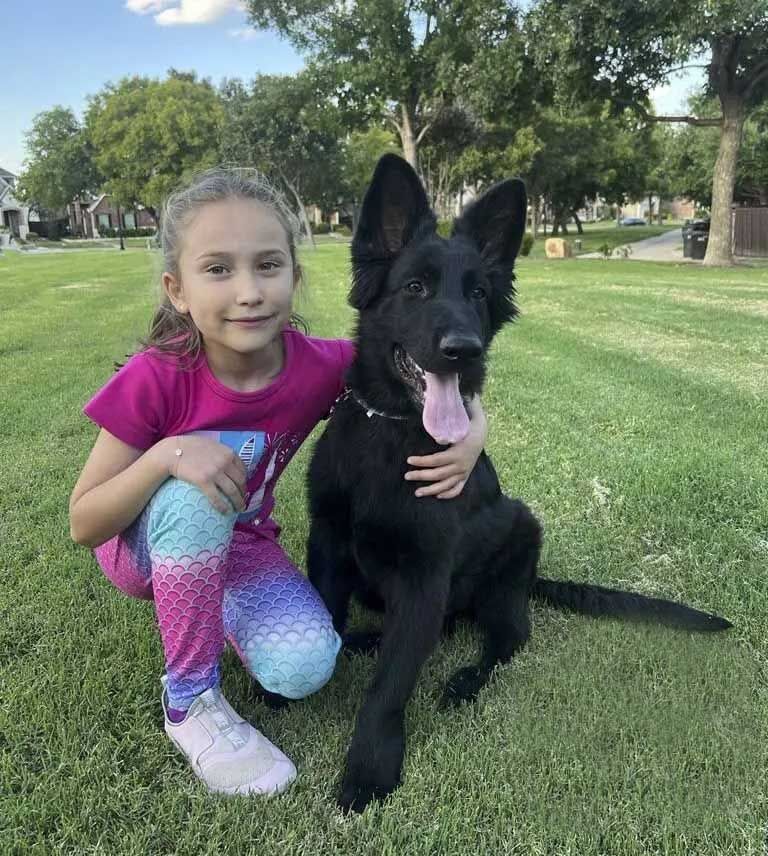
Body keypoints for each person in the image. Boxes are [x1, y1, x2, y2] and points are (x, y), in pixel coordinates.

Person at [69, 167, 488, 798]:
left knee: (304, 668)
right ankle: (191, 700)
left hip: (241, 546)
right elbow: (84, 522)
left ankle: (222, 607)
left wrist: (472, 433)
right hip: (146, 545)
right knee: (191, 492)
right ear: (176, 290)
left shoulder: (320, 366)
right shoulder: (156, 376)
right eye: (218, 269)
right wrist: (168, 456)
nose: (248, 292)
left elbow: (420, 370)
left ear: (295, 277)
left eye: (268, 265)